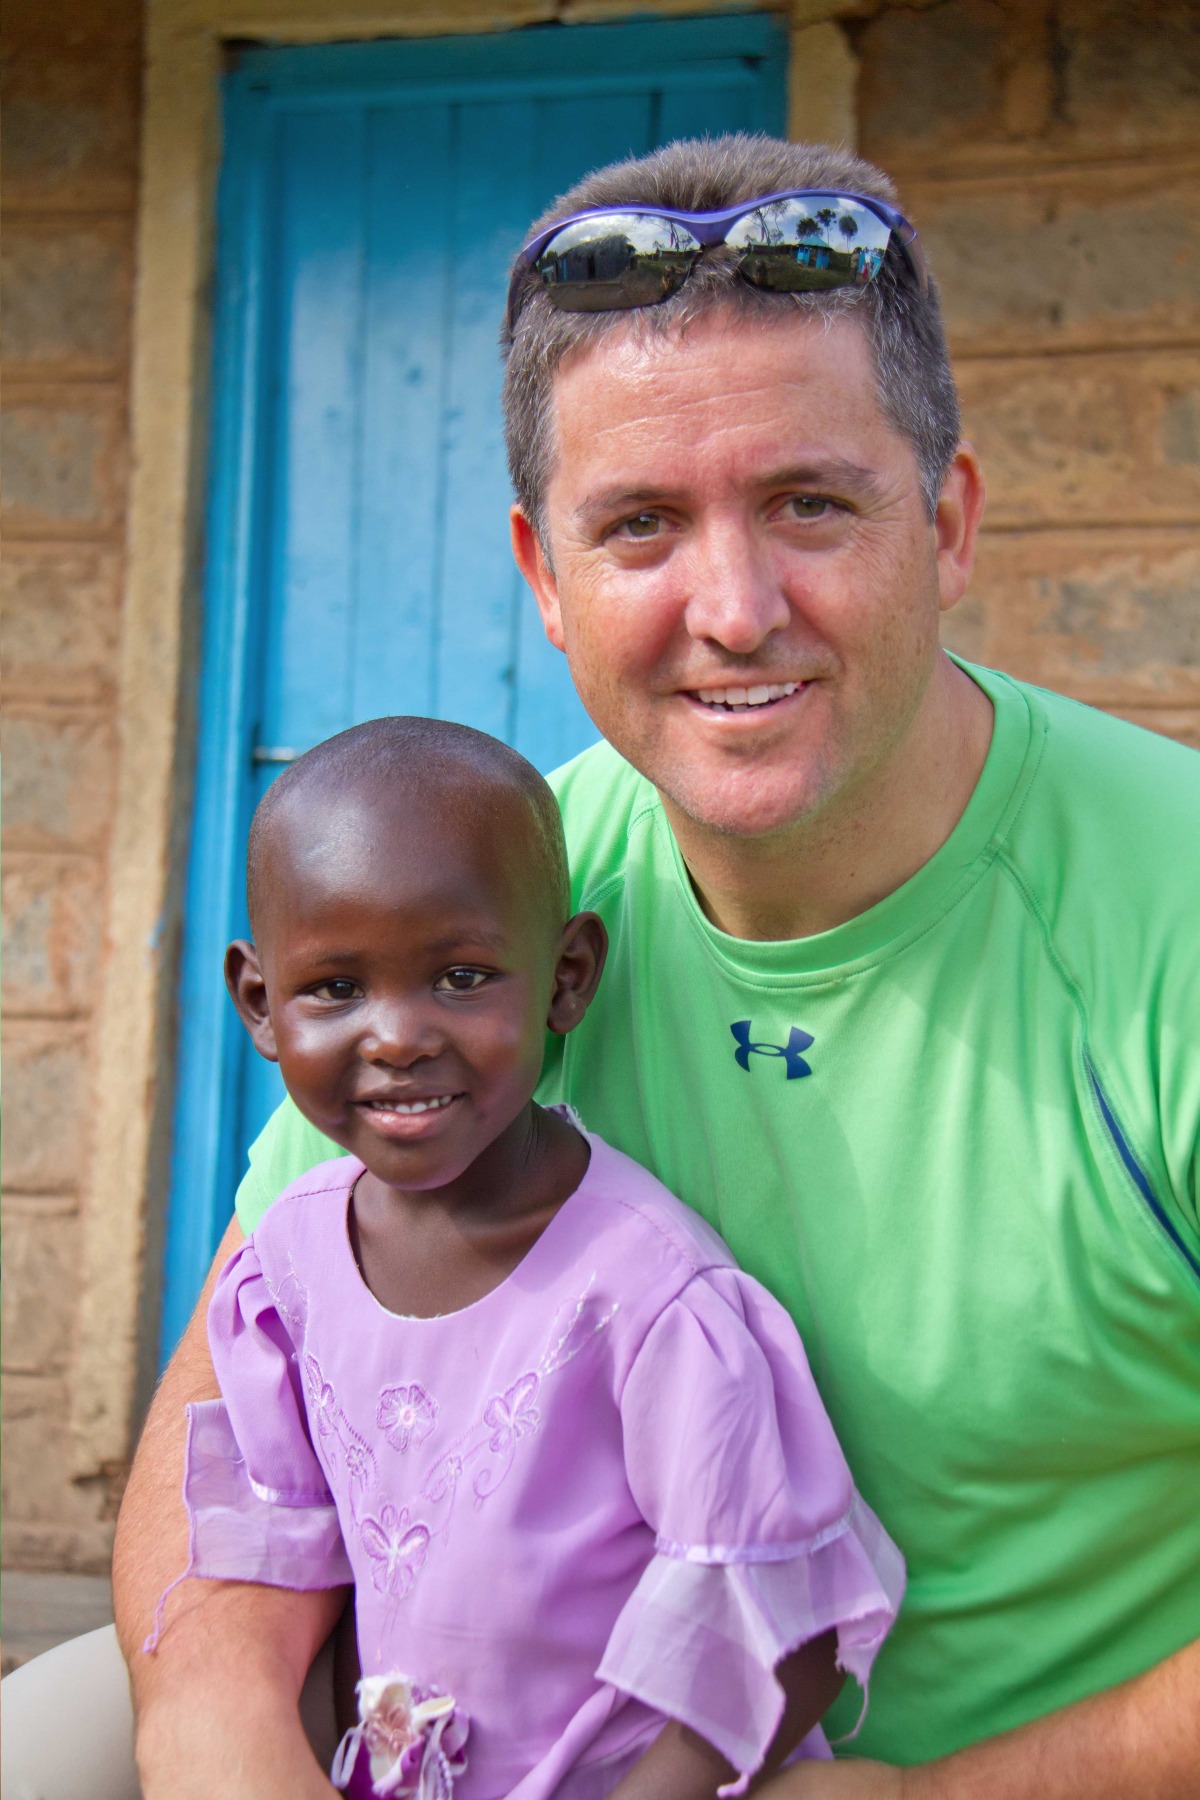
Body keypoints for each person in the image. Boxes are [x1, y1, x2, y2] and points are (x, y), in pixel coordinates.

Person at [4, 132, 1198, 1799]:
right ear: (541, 583)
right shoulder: (486, 919)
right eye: (640, 524)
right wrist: (216, 1708)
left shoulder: (1169, 917)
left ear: (949, 521)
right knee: (48, 1740)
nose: (732, 607)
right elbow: (233, 1387)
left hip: (1016, 1777)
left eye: (808, 504)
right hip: (507, 1755)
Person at [151, 713, 901, 1800]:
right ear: (260, 1005)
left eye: (460, 977)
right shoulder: (289, 1268)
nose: (397, 1036)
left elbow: (785, 1639)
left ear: (567, 977)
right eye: (334, 989)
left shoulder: (647, 1296)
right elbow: (282, 1567)